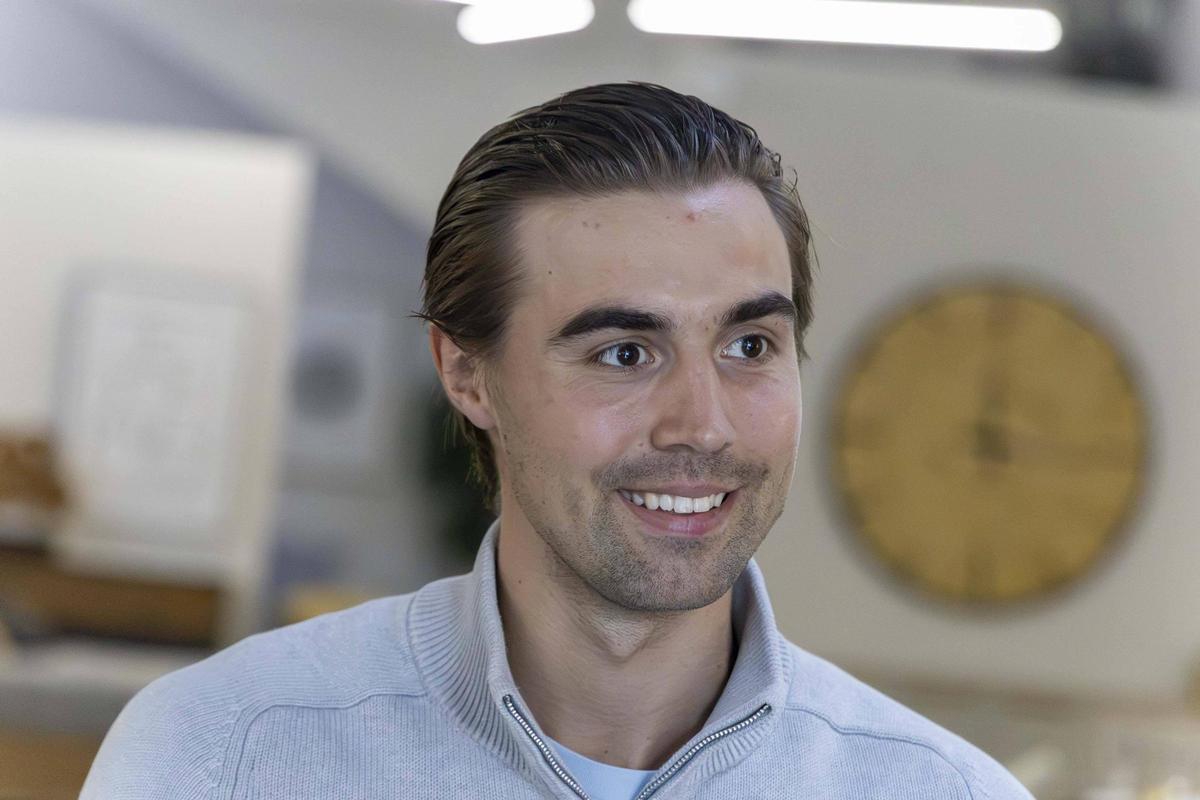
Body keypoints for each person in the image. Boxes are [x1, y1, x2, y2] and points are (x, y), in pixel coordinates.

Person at [81, 81, 1034, 799]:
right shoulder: (221, 756)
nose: (702, 422)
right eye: (624, 352)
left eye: (750, 345)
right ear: (466, 374)